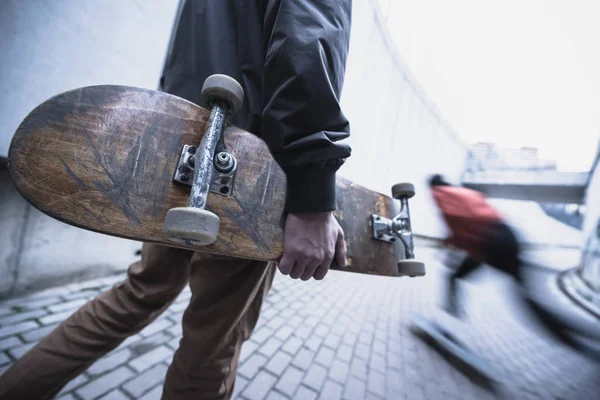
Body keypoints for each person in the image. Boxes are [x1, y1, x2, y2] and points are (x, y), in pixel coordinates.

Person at [0, 1, 353, 398]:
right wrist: (312, 195)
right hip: (248, 178)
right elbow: (309, 45)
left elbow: (186, 61)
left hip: (175, 159)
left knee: (137, 294)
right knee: (212, 346)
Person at [428, 174, 523, 317]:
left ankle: (452, 313)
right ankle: (560, 330)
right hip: (506, 233)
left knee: (453, 277)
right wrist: (450, 243)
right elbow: (468, 221)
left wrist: (450, 252)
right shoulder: (464, 192)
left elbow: (457, 227)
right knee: (522, 290)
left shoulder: (440, 194)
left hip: (488, 242)